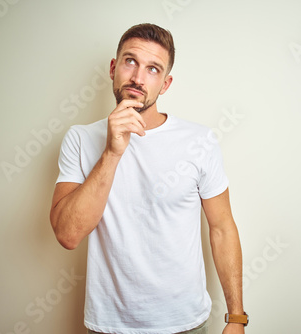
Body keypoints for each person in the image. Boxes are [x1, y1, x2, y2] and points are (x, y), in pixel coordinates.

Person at [49, 23, 248, 334]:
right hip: (109, 326)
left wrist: (236, 317)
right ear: (114, 68)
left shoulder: (199, 140)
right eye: (130, 62)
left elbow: (222, 227)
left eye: (153, 69)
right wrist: (112, 153)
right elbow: (67, 235)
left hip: (186, 323)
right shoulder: (80, 139)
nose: (138, 78)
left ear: (165, 84)